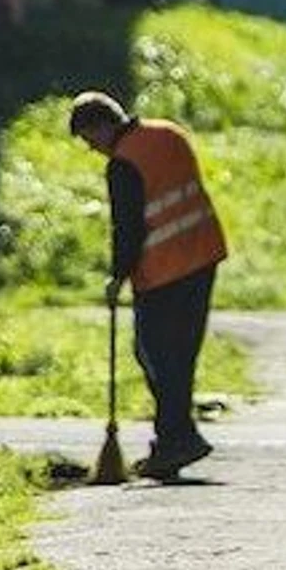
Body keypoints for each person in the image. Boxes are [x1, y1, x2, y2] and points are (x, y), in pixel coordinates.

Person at [69, 92, 228, 479]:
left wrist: (118, 277)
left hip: (162, 270)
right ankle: (175, 438)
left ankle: (177, 439)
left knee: (155, 354)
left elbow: (129, 228)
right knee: (181, 355)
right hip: (203, 256)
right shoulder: (170, 134)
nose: (94, 151)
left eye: (91, 141)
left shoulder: (124, 163)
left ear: (103, 127)